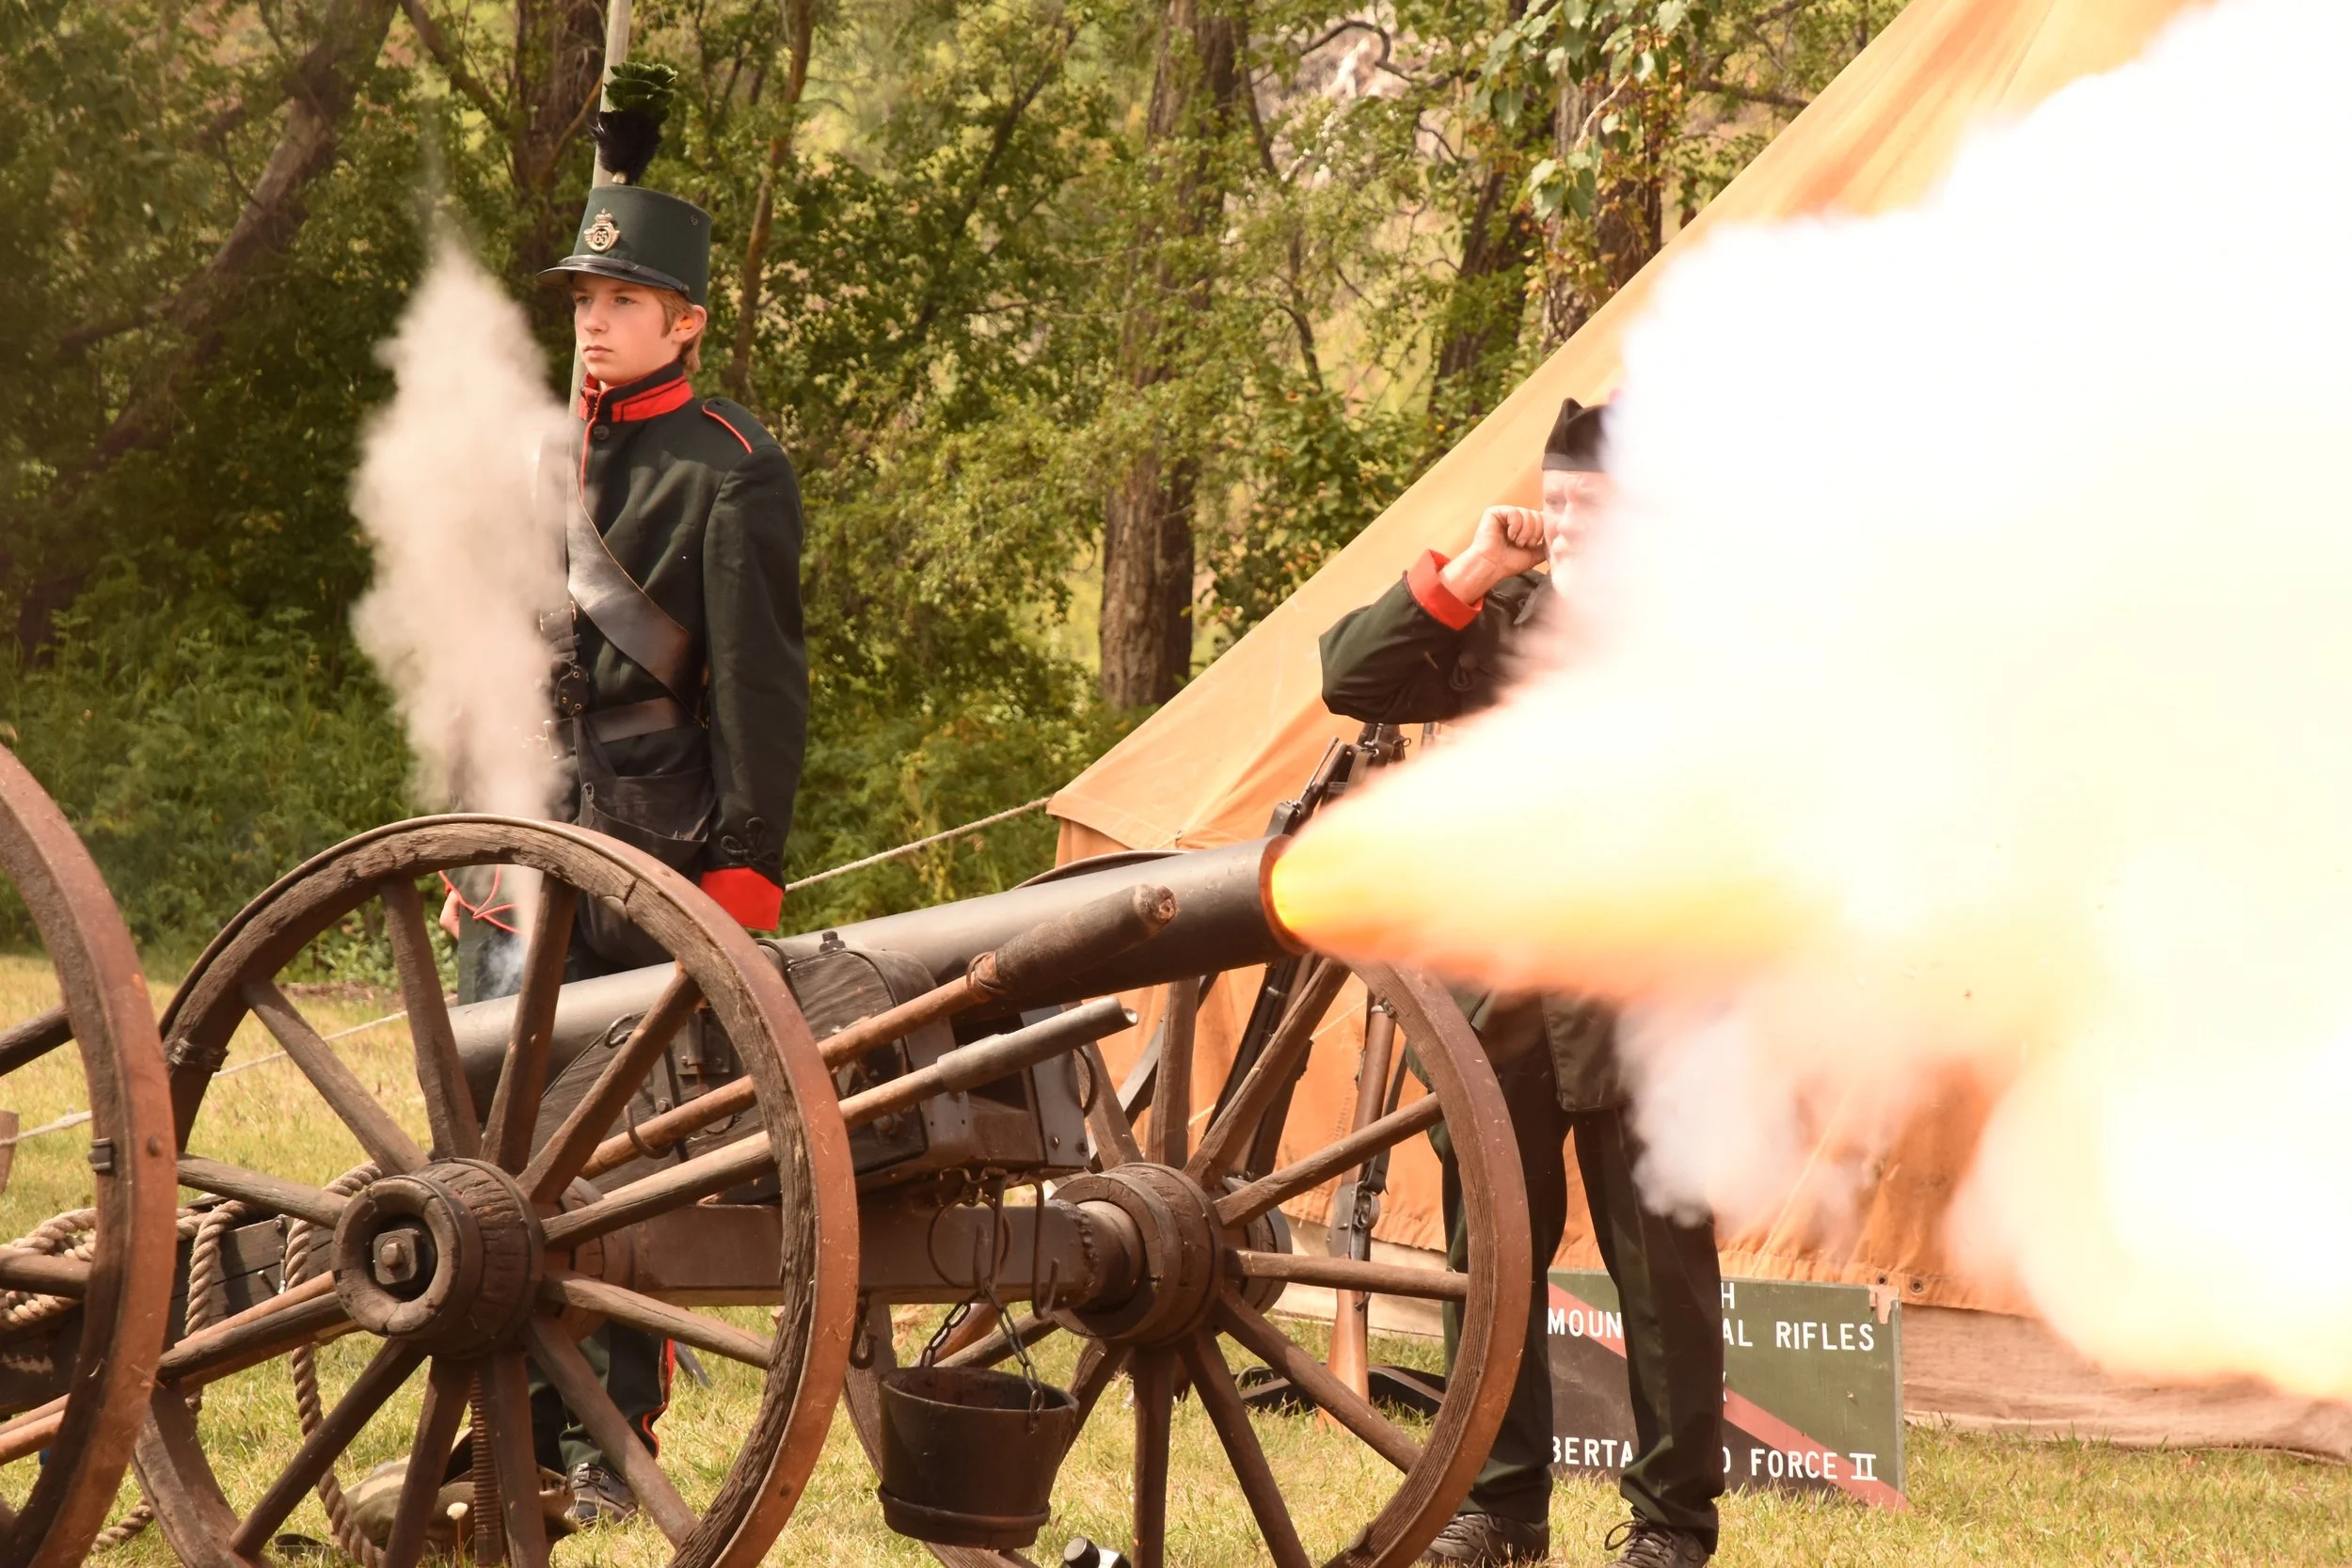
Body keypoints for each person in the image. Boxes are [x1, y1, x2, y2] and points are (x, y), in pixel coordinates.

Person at [443, 138, 809, 1526]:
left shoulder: (731, 469)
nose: (592, 316)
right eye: (583, 294)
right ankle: (513, 1423)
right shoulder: (541, 452)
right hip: (514, 844)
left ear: (687, 320)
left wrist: (741, 872)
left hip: (647, 848)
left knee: (625, 1153)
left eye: (621, 296)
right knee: (499, 1146)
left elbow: (763, 694)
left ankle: (607, 1441)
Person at [1317, 400, 1723, 1568]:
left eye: (1591, 504)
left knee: (1664, 1279)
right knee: (1490, 1255)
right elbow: (1354, 675)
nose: (1568, 523)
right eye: (1553, 505)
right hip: (1502, 991)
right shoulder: (1501, 607)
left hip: (1648, 986)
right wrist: (1476, 560)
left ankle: (1669, 1527)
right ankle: (1501, 1507)